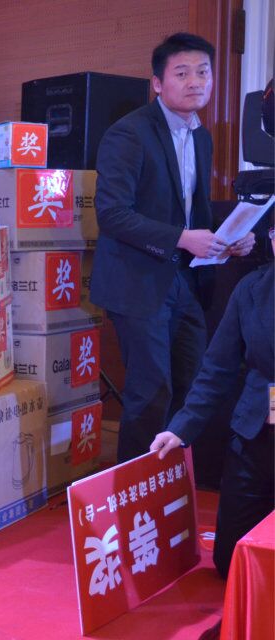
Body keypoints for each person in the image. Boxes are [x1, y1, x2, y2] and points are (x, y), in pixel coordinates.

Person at [90, 32, 256, 463]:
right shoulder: (129, 134)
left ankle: (172, 484)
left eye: (203, 72)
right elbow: (112, 214)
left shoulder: (201, 137)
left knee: (192, 385)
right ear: (158, 83)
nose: (195, 81)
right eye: (182, 73)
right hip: (137, 281)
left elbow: (191, 212)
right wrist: (184, 238)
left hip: (186, 278)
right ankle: (136, 489)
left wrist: (229, 239)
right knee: (151, 392)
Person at [150, 226, 273, 577]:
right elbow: (217, 368)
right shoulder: (251, 289)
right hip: (256, 436)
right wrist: (181, 428)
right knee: (230, 563)